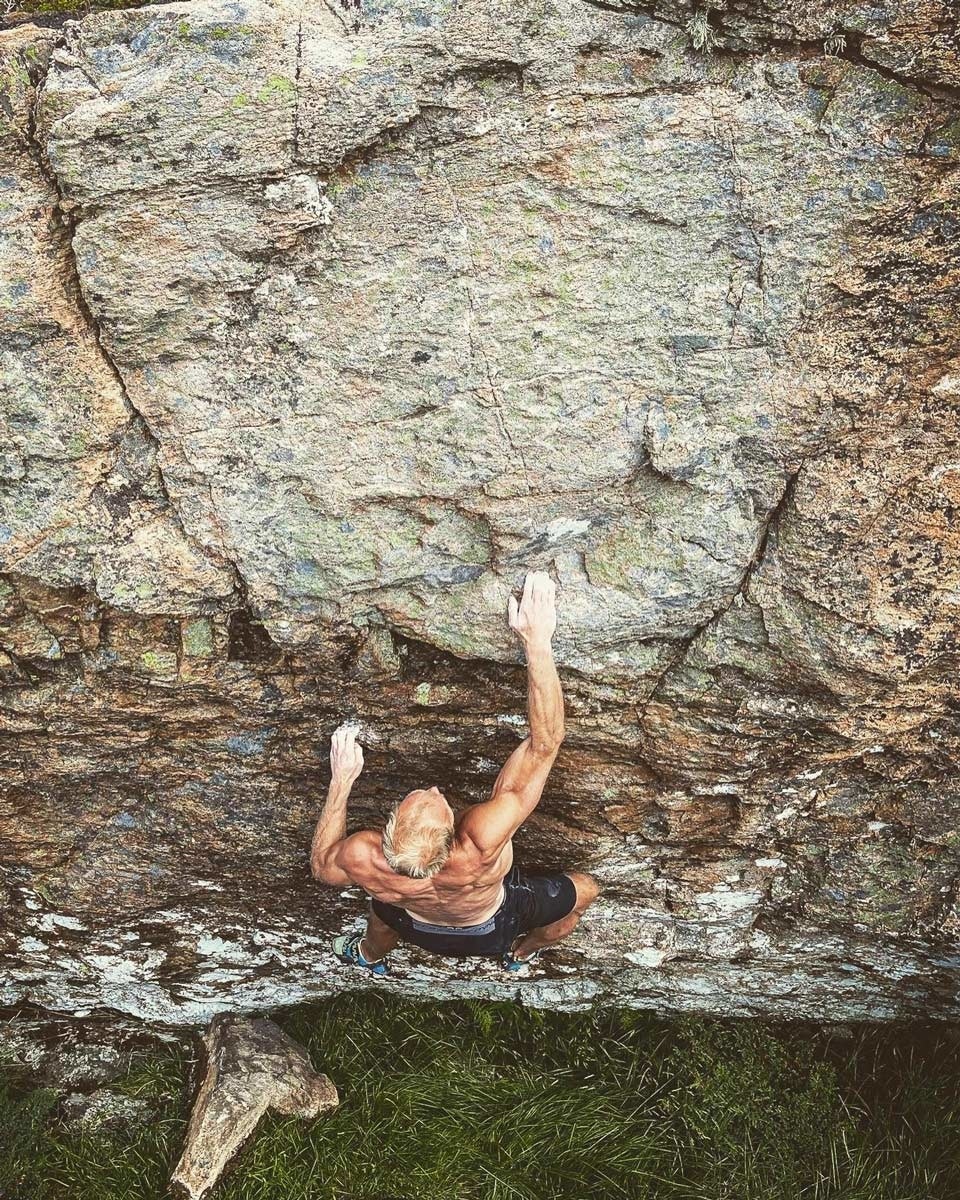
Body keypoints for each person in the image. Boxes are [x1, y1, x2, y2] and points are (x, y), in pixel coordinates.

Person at [310, 571, 600, 974]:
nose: (433, 786)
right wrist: (537, 642)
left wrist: (341, 781)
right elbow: (545, 742)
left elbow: (323, 868)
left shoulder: (366, 859)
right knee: (587, 890)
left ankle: (368, 955)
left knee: (383, 913)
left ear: (389, 831)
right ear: (452, 830)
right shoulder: (481, 843)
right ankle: (521, 952)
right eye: (436, 799)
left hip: (412, 921)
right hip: (490, 927)